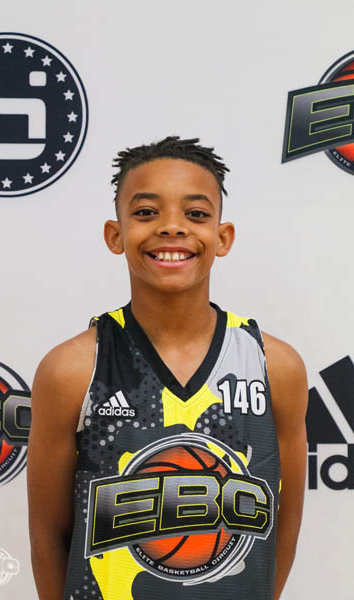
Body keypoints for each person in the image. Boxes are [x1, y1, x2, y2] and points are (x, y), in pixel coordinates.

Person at [27, 136, 308, 600]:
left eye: (195, 213)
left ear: (223, 237)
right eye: (146, 212)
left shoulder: (274, 365)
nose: (172, 227)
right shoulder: (72, 368)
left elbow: (285, 525)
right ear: (115, 235)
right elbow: (48, 537)